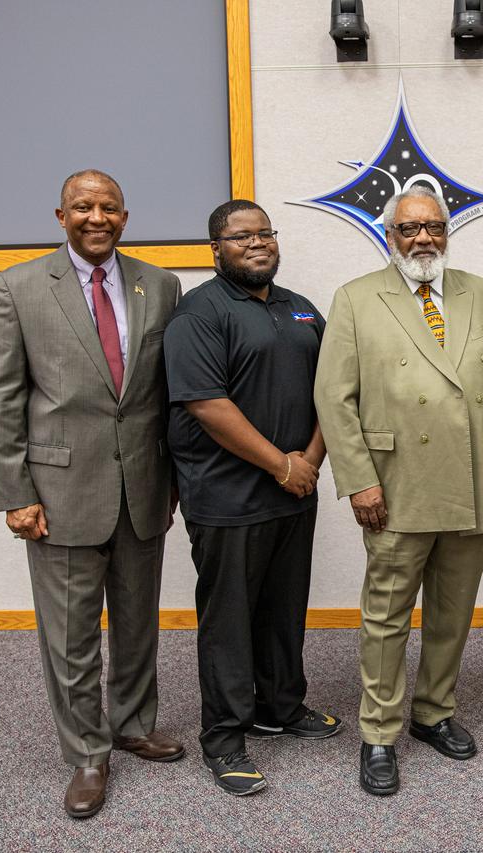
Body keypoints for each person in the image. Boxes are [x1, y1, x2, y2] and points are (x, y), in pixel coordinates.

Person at [0, 169, 184, 819]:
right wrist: (15, 490)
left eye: (109, 207)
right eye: (83, 207)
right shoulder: (19, 286)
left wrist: (176, 478)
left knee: (136, 620)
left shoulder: (162, 284)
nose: (97, 217)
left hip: (144, 485)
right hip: (59, 490)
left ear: (125, 216)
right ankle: (88, 751)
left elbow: (169, 393)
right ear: (60, 216)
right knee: (69, 635)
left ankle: (133, 722)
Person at [314, 185, 483, 796]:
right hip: (394, 486)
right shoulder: (355, 299)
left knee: (453, 612)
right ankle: (378, 732)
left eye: (433, 226)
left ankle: (434, 712)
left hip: (472, 483)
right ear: (390, 235)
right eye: (409, 229)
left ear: (447, 231)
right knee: (386, 616)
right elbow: (335, 398)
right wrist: (357, 481)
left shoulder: (482, 294)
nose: (423, 238)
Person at [164, 199, 340, 798]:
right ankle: (225, 737)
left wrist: (310, 461)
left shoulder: (301, 309)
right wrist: (281, 464)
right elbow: (207, 404)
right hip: (227, 496)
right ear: (216, 248)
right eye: (242, 236)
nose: (257, 242)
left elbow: (334, 392)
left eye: (265, 232)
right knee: (230, 621)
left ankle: (281, 708)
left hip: (296, 491)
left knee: (285, 608)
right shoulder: (199, 313)